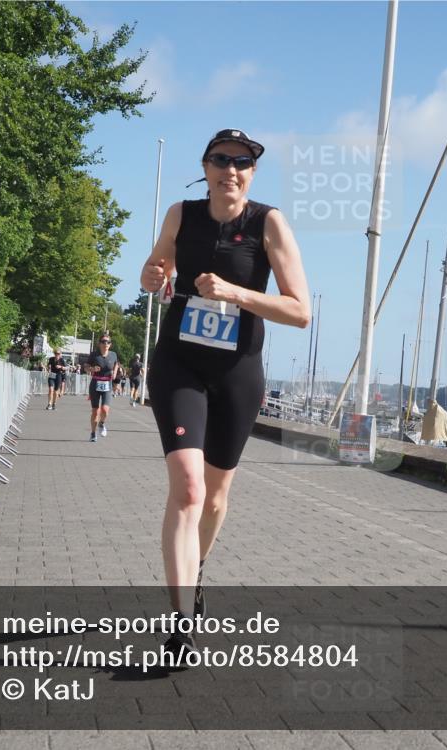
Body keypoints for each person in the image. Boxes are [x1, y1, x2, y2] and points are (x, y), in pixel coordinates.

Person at [140, 128, 311, 662]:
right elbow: (156, 270)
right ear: (206, 166)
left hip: (238, 371)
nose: (230, 169)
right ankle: (180, 624)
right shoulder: (181, 214)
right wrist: (152, 275)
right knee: (189, 491)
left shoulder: (268, 223)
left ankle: (197, 570)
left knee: (214, 498)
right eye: (220, 159)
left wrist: (236, 292)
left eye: (241, 162)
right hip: (179, 363)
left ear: (252, 173)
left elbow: (301, 311)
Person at [86, 336, 118, 441]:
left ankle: (102, 423)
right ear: (99, 344)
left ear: (110, 344)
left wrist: (115, 373)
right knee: (95, 411)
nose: (106, 344)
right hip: (95, 383)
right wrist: (91, 368)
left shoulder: (113, 354)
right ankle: (93, 433)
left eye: (108, 342)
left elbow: (116, 364)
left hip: (107, 384)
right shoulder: (94, 355)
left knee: (105, 410)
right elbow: (85, 367)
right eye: (103, 342)